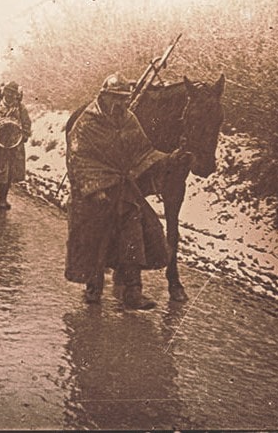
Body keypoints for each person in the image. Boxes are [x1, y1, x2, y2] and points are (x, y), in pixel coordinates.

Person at [63, 73, 190, 310]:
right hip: (95, 194)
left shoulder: (129, 119)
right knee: (96, 240)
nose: (121, 104)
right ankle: (94, 287)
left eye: (124, 99)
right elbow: (78, 158)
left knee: (134, 235)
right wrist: (95, 188)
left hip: (123, 189)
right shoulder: (87, 123)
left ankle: (133, 291)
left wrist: (169, 160)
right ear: (105, 96)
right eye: (116, 98)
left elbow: (143, 152)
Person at [0, 81, 31, 210]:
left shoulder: (20, 108)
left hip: (13, 144)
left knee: (8, 173)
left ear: (16, 94)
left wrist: (24, 135)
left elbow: (26, 123)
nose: (10, 94)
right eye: (7, 91)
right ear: (3, 92)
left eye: (13, 92)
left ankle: (3, 198)